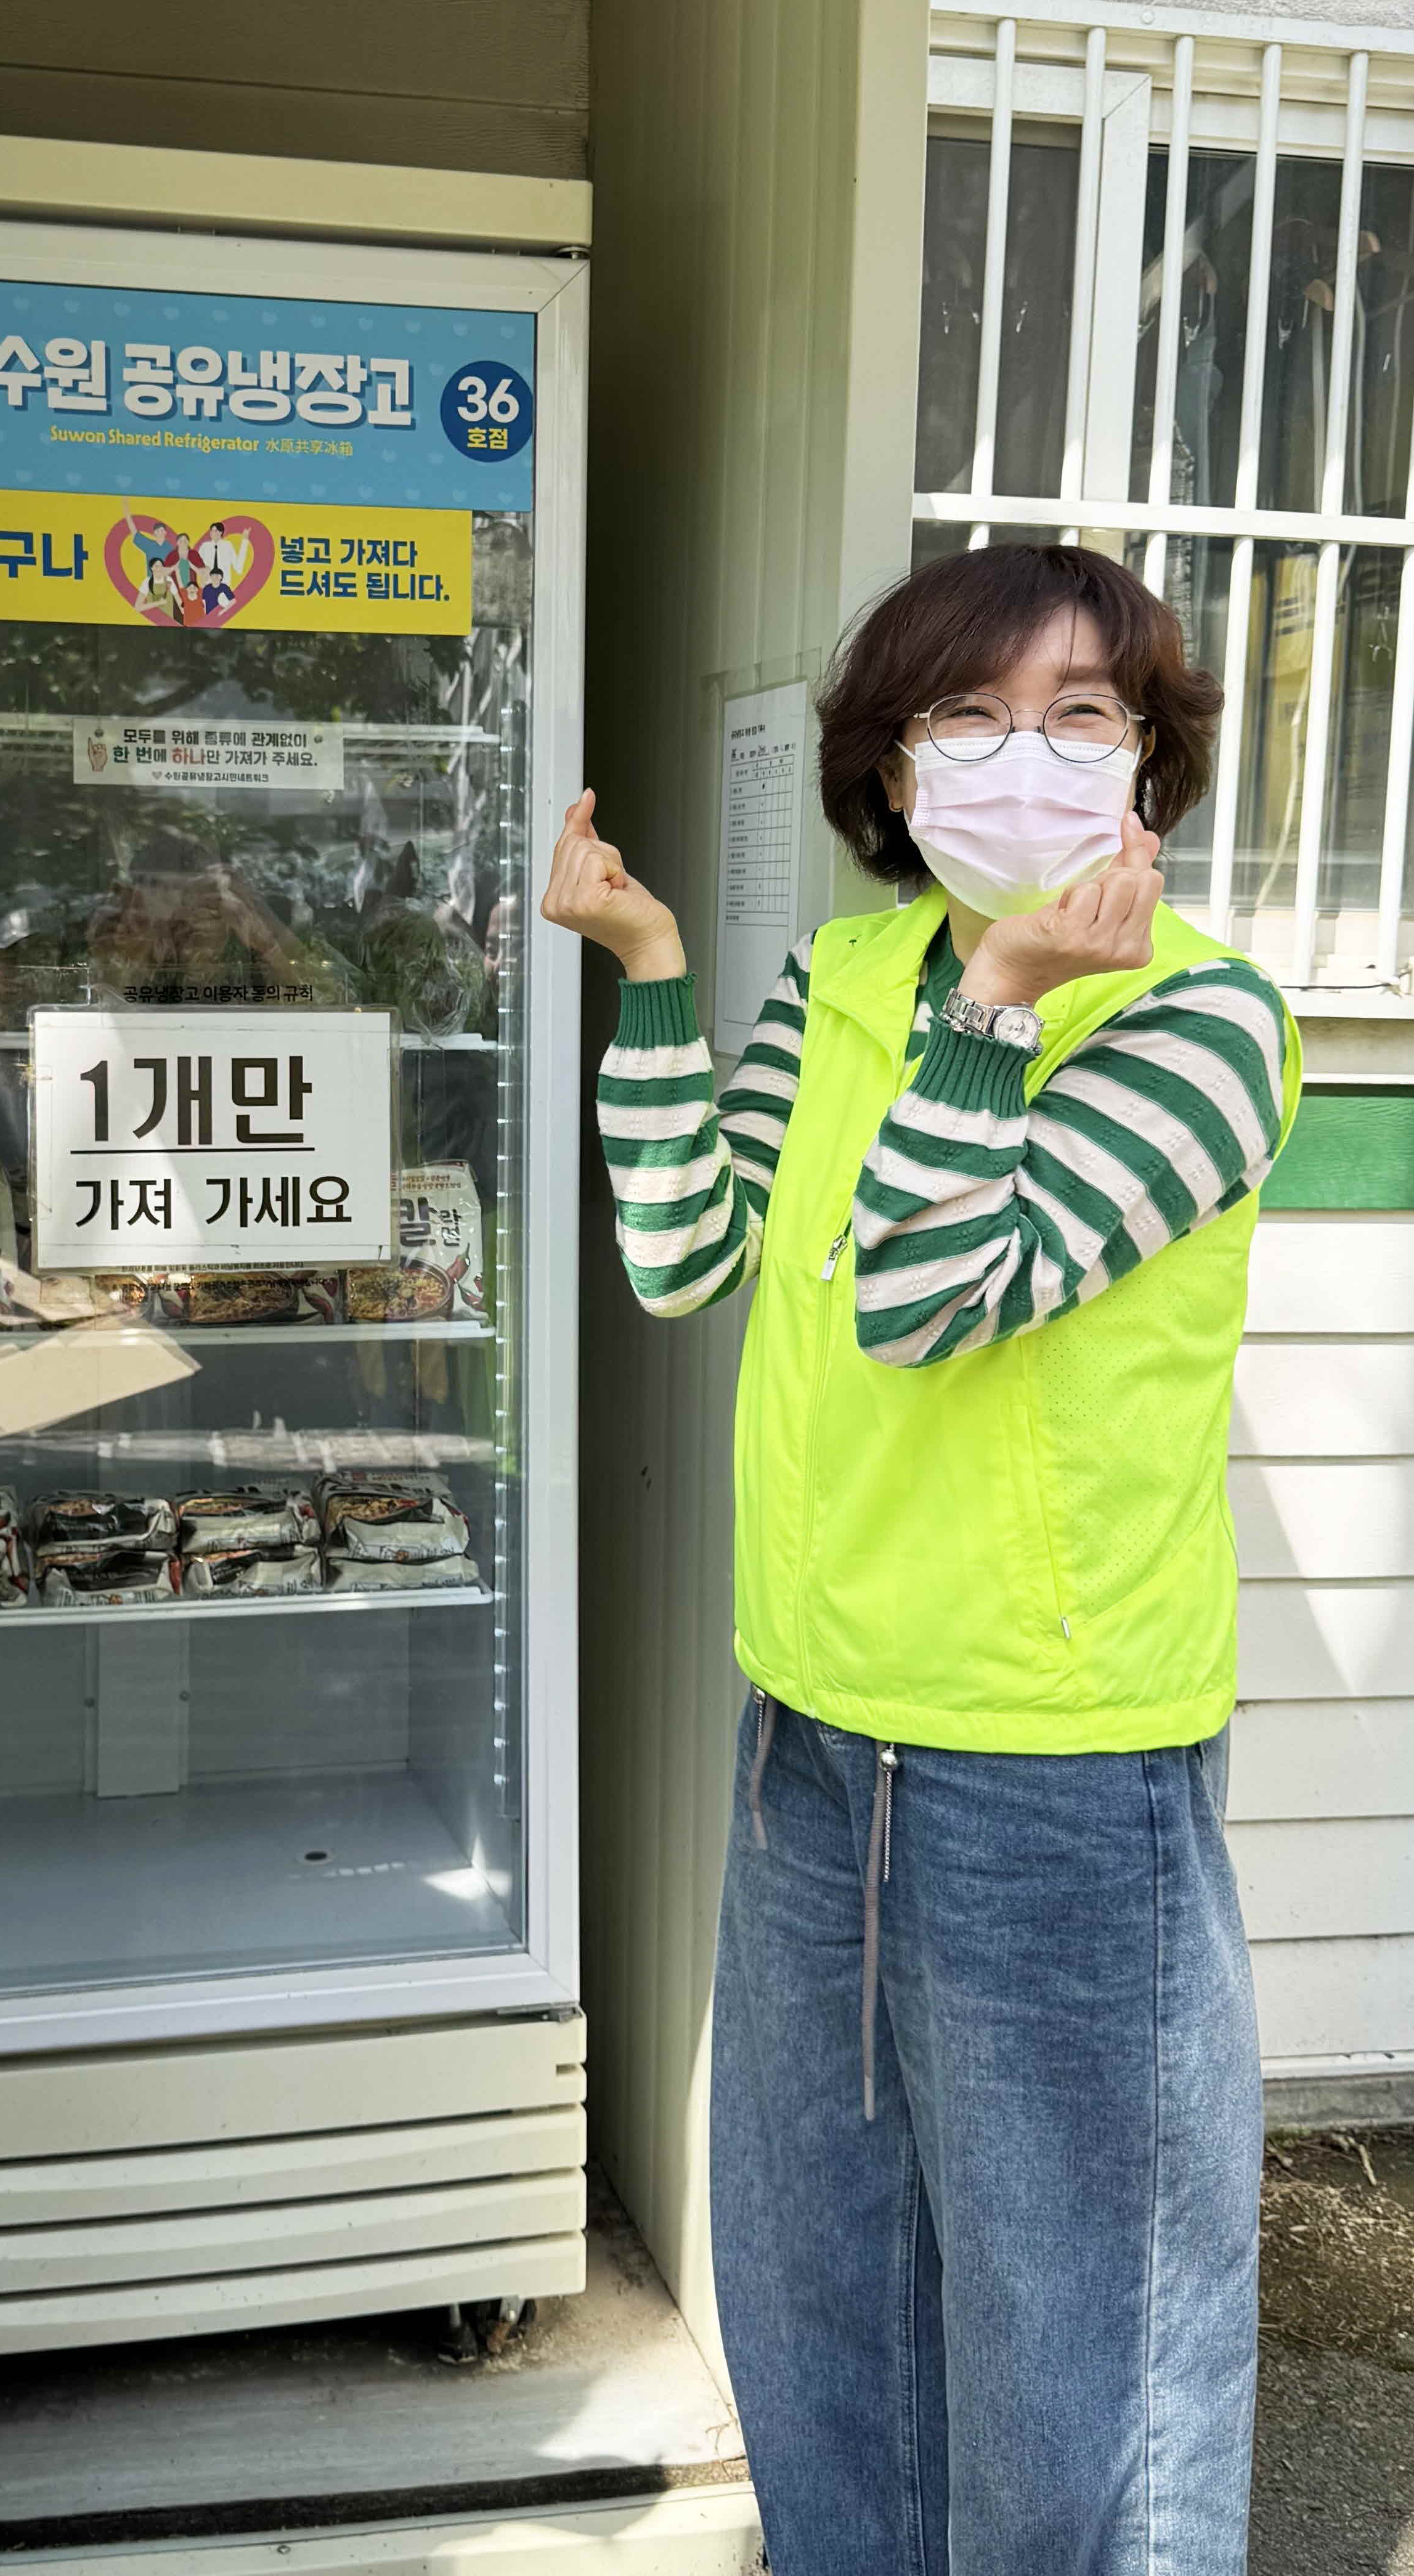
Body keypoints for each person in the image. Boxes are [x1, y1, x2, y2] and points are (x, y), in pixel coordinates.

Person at [542, 542, 1298, 2576]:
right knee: (821, 2309)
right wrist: (650, 973)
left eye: (1079, 713)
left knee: (1084, 2356)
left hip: (1051, 1775)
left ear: (1148, 762)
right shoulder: (840, 981)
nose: (1019, 757)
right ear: (886, 766)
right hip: (810, 1735)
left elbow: (933, 1290)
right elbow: (684, 1253)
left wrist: (996, 1004)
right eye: (961, 715)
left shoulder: (1205, 1018)